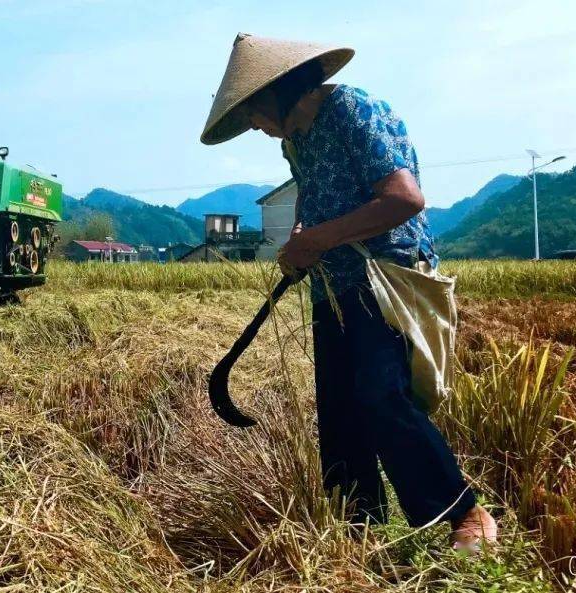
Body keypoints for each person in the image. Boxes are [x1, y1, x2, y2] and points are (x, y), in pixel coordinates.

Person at [200, 34, 496, 551]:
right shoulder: (297, 138)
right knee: (339, 409)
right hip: (332, 285)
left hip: (385, 277)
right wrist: (300, 240)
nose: (255, 127)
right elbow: (310, 201)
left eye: (252, 113)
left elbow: (403, 199)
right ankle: (357, 528)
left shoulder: (352, 110)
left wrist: (317, 238)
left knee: (381, 396)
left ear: (277, 91)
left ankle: (463, 512)